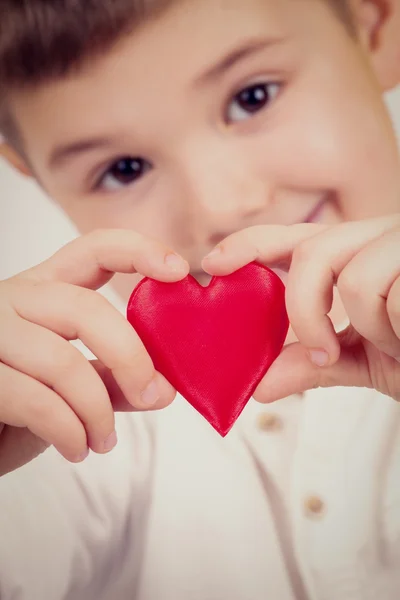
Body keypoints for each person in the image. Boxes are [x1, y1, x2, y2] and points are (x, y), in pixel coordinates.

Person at [0, 0, 399, 598]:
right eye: (125, 168)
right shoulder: (68, 420)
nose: (219, 207)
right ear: (28, 170)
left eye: (253, 97)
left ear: (376, 21)